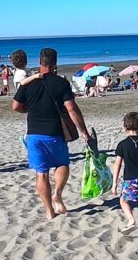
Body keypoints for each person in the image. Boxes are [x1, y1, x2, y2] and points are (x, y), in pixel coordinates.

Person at [12, 48, 96, 220]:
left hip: (34, 134)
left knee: (41, 173)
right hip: (55, 133)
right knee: (62, 164)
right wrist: (84, 133)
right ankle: (57, 194)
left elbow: (15, 107)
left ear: (40, 62)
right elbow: (71, 109)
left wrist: (28, 108)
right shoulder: (62, 83)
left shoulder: (28, 83)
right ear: (55, 63)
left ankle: (49, 211)